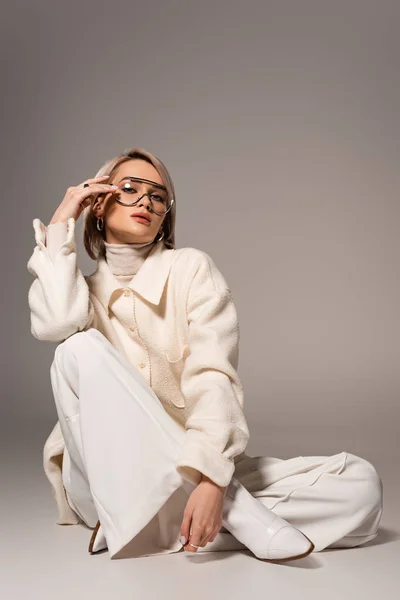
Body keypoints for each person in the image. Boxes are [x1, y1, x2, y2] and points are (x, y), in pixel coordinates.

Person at [26, 147, 383, 562]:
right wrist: (60, 222)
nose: (145, 201)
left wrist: (211, 479)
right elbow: (55, 323)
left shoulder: (192, 269)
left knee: (360, 486)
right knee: (77, 346)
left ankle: (160, 525)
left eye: (157, 197)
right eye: (129, 189)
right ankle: (244, 521)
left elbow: (214, 375)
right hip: (104, 479)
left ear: (165, 218)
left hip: (186, 462)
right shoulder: (78, 293)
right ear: (99, 206)